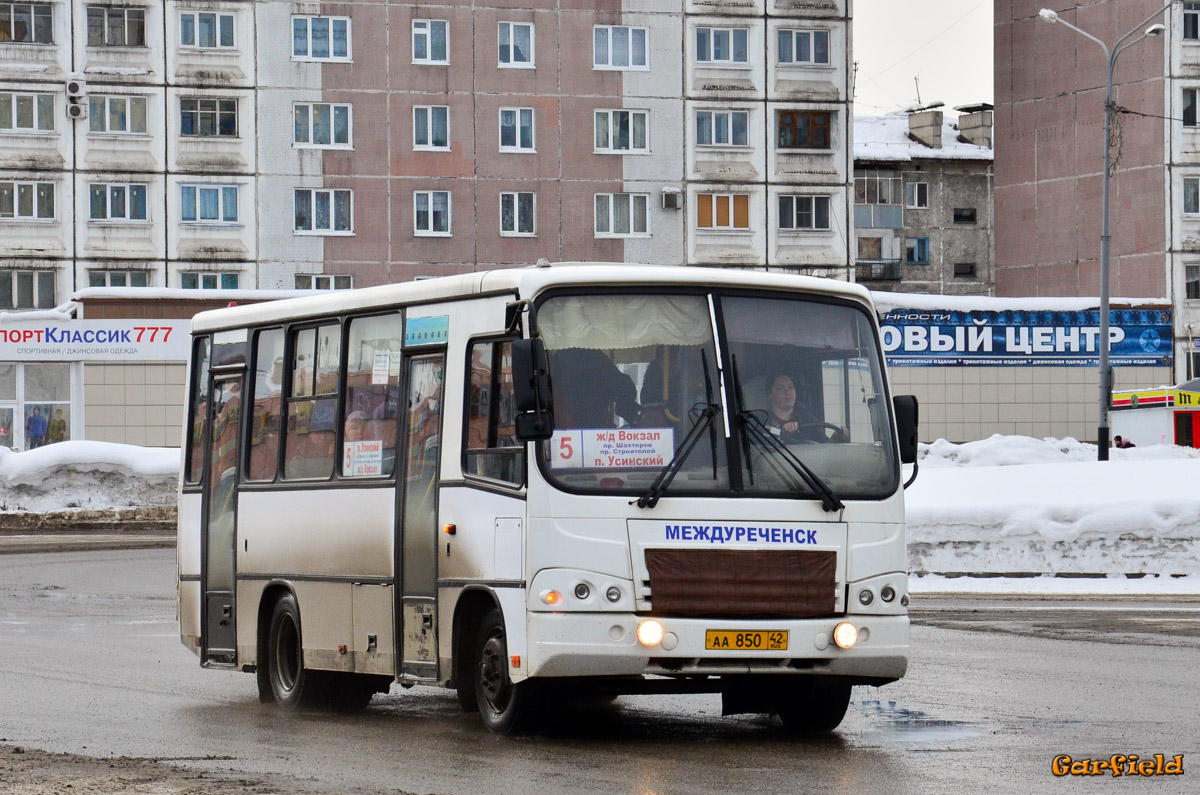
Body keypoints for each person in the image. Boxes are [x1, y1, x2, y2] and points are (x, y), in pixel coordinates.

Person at [763, 373, 845, 443]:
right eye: (780, 388)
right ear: (769, 395)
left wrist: (835, 438)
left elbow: (824, 448)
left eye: (791, 387)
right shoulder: (762, 420)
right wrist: (783, 434)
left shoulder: (807, 419)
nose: (788, 391)